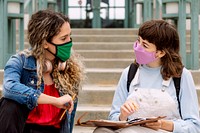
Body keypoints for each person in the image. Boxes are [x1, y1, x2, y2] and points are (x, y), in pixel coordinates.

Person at [93, 20, 200, 133]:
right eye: (138, 41)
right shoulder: (129, 73)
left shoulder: (181, 76)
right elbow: (113, 117)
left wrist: (162, 124)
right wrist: (122, 116)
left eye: (145, 45)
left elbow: (194, 126)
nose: (138, 47)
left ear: (160, 53)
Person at [0, 9, 84, 133]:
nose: (69, 42)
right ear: (45, 43)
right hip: (24, 129)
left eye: (69, 36)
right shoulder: (19, 62)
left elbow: (69, 120)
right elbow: (9, 88)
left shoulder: (69, 71)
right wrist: (55, 101)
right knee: (9, 104)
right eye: (63, 38)